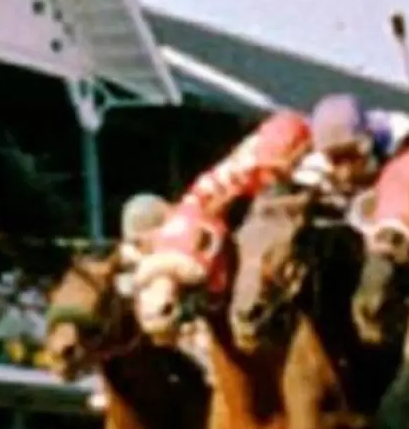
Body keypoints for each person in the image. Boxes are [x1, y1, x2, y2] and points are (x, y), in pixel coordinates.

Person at [127, 95, 382, 335]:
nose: (345, 169)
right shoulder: (249, 167)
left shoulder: (384, 142)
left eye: (350, 157)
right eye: (336, 159)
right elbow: (198, 203)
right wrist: (167, 273)